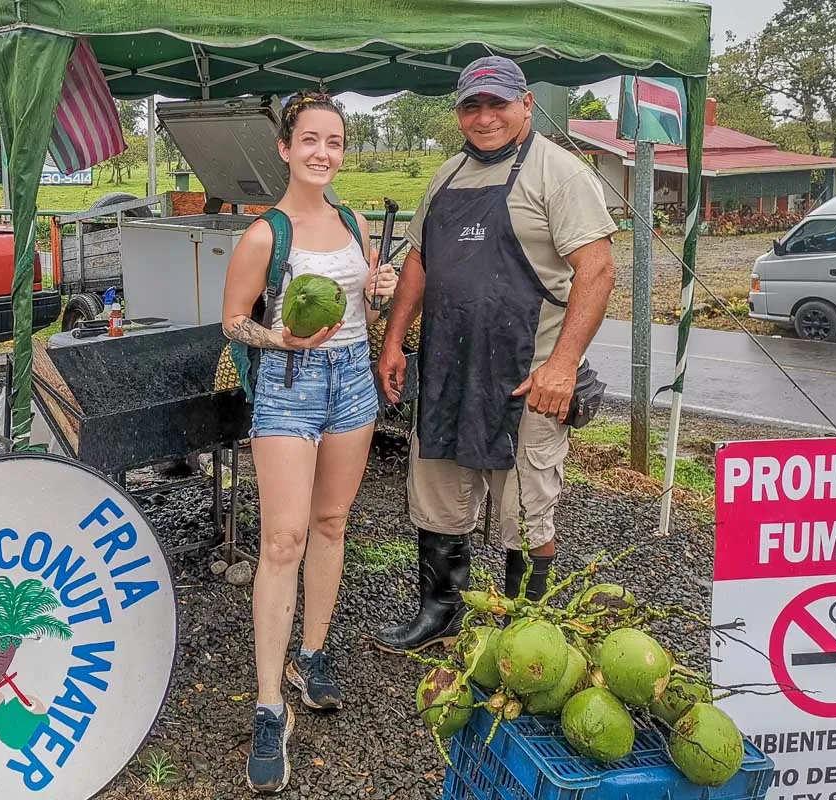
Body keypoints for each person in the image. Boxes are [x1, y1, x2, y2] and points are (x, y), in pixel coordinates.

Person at [372, 56, 618, 654]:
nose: (484, 118)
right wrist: (395, 339)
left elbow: (598, 267)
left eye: (497, 104)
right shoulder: (446, 177)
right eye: (471, 106)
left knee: (525, 511)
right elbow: (419, 262)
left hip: (526, 380)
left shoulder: (558, 174)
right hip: (448, 375)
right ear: (458, 111)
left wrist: (561, 366)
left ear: (526, 104)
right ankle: (440, 612)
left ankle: (524, 633)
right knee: (436, 498)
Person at [220, 91, 398, 794]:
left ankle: (313, 655)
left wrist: (377, 287)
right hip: (290, 383)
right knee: (282, 540)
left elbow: (361, 304)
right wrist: (279, 337)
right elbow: (234, 321)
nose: (324, 151)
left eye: (336, 141)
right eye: (312, 140)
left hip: (353, 380)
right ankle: (270, 705)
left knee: (331, 524)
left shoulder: (354, 221)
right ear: (286, 148)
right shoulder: (266, 234)